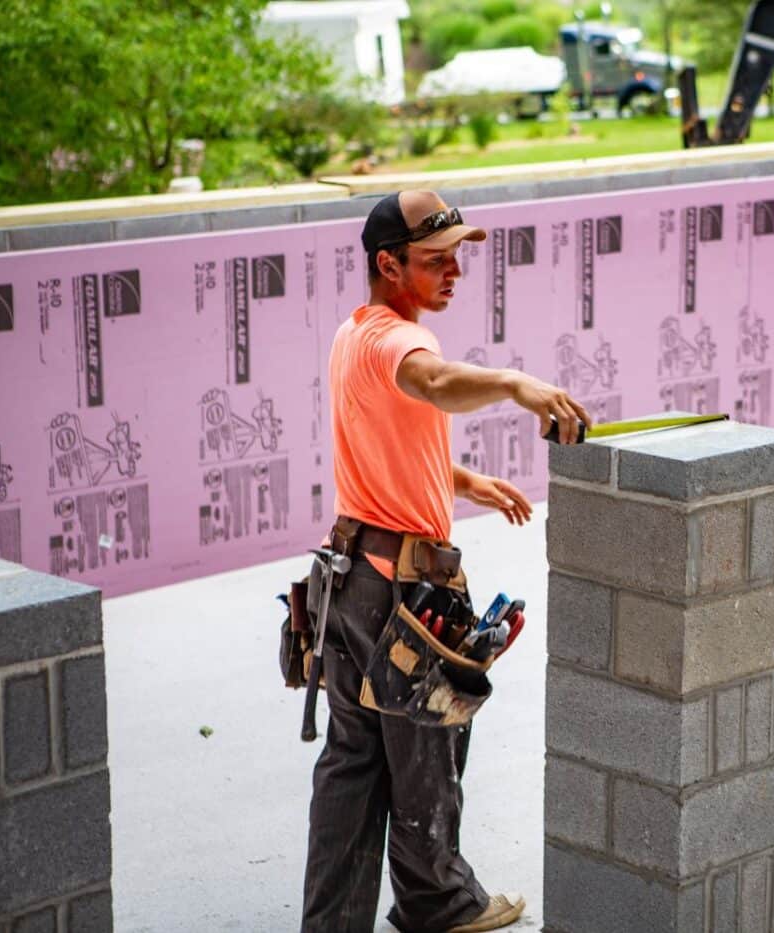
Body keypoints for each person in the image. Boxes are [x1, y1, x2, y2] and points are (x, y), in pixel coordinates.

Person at [302, 190, 592, 933]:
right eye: (435, 259)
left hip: (351, 580)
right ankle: (439, 901)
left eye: (457, 255)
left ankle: (332, 922)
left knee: (353, 761)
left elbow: (382, 443)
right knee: (426, 745)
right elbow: (431, 382)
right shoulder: (398, 344)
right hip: (397, 591)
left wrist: (459, 482)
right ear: (388, 262)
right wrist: (516, 384)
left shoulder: (353, 336)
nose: (454, 270)